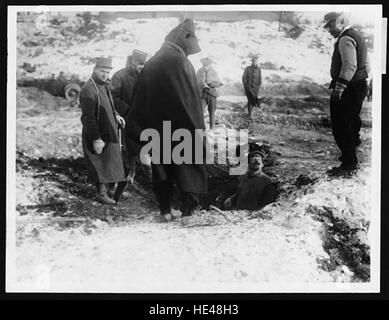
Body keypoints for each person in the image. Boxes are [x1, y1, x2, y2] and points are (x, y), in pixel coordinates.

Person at [124, 19, 207, 225]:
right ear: (184, 41)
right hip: (182, 128)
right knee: (189, 165)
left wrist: (139, 133)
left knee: (162, 169)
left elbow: (138, 101)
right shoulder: (182, 63)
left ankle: (165, 211)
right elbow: (191, 103)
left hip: (156, 131)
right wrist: (199, 131)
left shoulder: (151, 63)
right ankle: (188, 214)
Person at [323, 12, 369, 177]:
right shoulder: (357, 35)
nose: (329, 30)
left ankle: (349, 164)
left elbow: (350, 66)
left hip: (349, 88)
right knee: (352, 121)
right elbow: (365, 65)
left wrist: (339, 89)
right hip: (358, 86)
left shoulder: (344, 39)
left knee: (342, 125)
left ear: (340, 23)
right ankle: (351, 160)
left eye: (331, 26)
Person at [80, 57, 127, 204]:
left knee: (112, 159)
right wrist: (96, 138)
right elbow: (88, 119)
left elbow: (110, 105)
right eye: (102, 71)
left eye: (107, 72)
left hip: (109, 129)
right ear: (95, 70)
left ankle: (111, 189)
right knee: (98, 162)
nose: (105, 75)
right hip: (96, 132)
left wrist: (117, 115)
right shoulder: (89, 90)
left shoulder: (105, 85)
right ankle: (101, 193)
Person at [110, 49, 148, 188]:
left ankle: (148, 173)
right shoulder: (119, 76)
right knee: (130, 146)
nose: (141, 67)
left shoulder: (146, 76)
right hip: (128, 117)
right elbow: (113, 97)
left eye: (143, 64)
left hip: (144, 117)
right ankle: (131, 172)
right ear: (132, 62)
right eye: (139, 64)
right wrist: (128, 110)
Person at [196, 57, 223, 130]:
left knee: (211, 111)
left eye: (206, 66)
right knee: (200, 111)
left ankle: (212, 128)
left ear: (209, 65)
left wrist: (211, 84)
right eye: (204, 66)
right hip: (203, 94)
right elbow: (197, 82)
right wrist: (203, 85)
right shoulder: (199, 71)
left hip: (212, 94)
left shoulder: (214, 72)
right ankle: (200, 128)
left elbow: (217, 82)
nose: (205, 67)